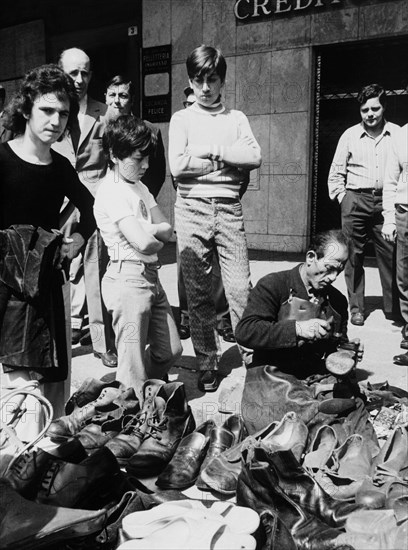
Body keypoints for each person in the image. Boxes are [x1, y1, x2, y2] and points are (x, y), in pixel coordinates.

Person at [0, 64, 96, 416]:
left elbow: (89, 207)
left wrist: (78, 241)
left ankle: (44, 449)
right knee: (14, 379)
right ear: (26, 109)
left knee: (53, 375)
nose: (55, 120)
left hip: (47, 282)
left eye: (63, 113)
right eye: (47, 110)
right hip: (6, 285)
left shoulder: (60, 167)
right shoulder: (3, 160)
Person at [169, 45, 261, 392]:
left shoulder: (235, 118)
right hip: (190, 209)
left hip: (227, 208)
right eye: (198, 80)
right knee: (198, 292)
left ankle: (252, 355)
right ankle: (207, 362)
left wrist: (211, 154)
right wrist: (226, 163)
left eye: (212, 80)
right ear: (190, 81)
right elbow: (178, 165)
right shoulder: (182, 119)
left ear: (222, 80)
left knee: (239, 287)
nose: (205, 88)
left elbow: (254, 156)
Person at [235, 230, 368, 434]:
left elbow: (334, 348)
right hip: (273, 376)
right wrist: (298, 329)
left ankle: (320, 425)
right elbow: (246, 330)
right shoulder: (274, 285)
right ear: (311, 257)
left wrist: (347, 354)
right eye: (329, 268)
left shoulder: (338, 301)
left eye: (338, 271)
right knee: (280, 418)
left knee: (353, 404)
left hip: (313, 375)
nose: (332, 278)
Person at [94, 115, 182, 398]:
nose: (145, 166)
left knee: (171, 349)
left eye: (147, 158)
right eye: (137, 158)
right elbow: (147, 242)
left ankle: (136, 396)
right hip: (126, 279)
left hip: (151, 278)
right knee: (131, 367)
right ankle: (129, 420)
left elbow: (166, 231)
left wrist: (149, 231)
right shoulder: (111, 190)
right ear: (114, 155)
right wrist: (152, 232)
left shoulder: (140, 187)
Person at [53, 47, 117, 368]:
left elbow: (121, 160)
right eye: (73, 72)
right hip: (58, 204)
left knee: (95, 273)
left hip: (93, 205)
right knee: (55, 273)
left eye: (85, 72)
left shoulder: (106, 114)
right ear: (60, 73)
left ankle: (102, 343)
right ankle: (57, 341)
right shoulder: (51, 113)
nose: (79, 79)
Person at [327, 84, 400, 326]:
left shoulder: (398, 135)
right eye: (364, 109)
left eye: (375, 108)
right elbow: (335, 174)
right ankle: (356, 308)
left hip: (386, 202)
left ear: (384, 107)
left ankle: (393, 308)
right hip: (355, 201)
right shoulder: (349, 136)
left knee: (391, 255)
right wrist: (344, 198)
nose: (370, 114)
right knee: (353, 257)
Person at [176, 86, 237, 344]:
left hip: (219, 205)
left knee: (219, 269)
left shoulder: (220, 131)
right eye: (189, 103)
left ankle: (223, 318)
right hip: (189, 204)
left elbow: (237, 172)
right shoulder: (182, 131)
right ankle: (187, 316)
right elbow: (177, 172)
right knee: (186, 266)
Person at [104, 74, 166, 199]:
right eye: (112, 95)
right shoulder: (99, 128)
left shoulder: (150, 130)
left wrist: (142, 199)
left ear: (132, 100)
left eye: (123, 96)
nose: (116, 101)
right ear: (105, 98)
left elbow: (157, 175)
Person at [382, 123, 408, 365]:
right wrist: (389, 219)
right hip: (405, 213)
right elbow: (390, 182)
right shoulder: (401, 135)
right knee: (404, 276)